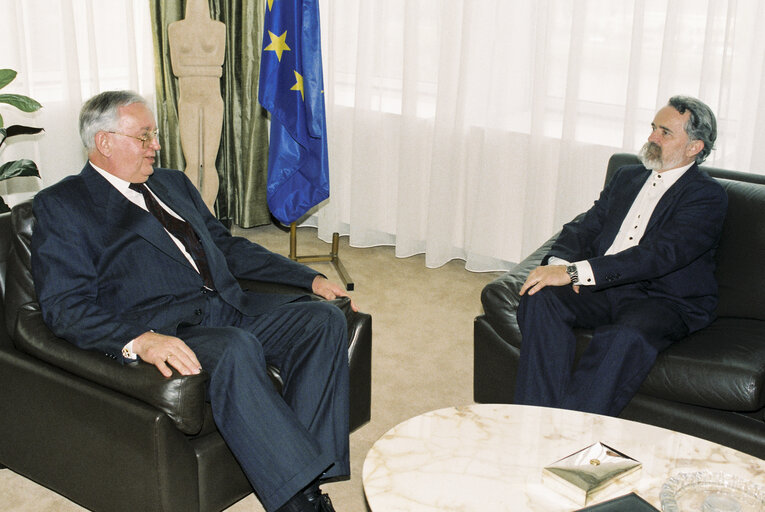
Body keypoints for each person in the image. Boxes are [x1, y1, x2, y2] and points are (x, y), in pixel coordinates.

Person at [31, 90, 352, 512]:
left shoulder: (172, 183)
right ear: (104, 142)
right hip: (172, 329)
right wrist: (140, 340)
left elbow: (227, 247)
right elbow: (64, 306)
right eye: (144, 137)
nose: (157, 146)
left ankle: (307, 469)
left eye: (155, 135)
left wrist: (307, 278)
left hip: (228, 304)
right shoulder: (64, 205)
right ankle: (302, 501)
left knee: (323, 320)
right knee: (237, 348)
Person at [514, 96, 727, 417]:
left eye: (665, 133)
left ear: (694, 147)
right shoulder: (628, 177)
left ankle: (570, 430)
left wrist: (577, 273)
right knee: (541, 297)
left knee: (624, 337)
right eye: (653, 128)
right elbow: (585, 226)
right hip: (603, 287)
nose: (652, 137)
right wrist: (559, 267)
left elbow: (659, 255)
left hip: (661, 299)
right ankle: (534, 420)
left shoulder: (707, 196)